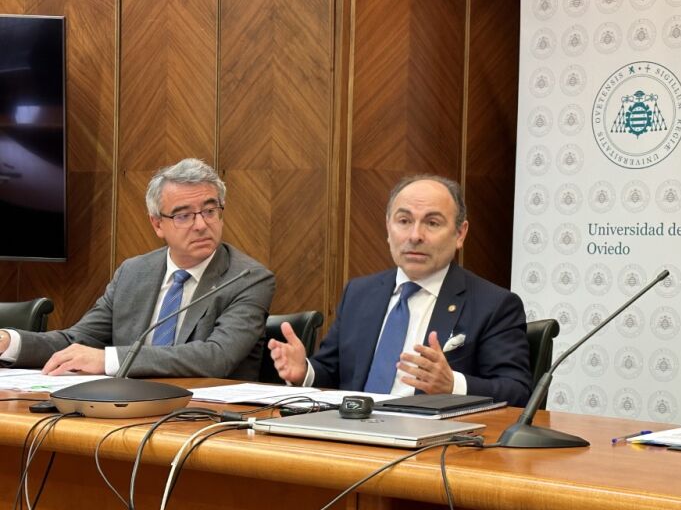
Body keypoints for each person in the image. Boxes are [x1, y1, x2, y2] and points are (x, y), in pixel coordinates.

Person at [269, 175, 532, 406]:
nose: (415, 235)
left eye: (432, 223)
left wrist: (453, 384)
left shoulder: (493, 304)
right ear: (388, 228)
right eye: (404, 221)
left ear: (460, 234)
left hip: (430, 439)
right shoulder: (360, 293)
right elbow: (332, 372)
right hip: (352, 432)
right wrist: (304, 372)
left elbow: (517, 391)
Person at [0, 159, 275, 380]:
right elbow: (78, 340)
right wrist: (8, 342)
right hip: (129, 409)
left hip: (207, 415)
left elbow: (217, 357)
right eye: (183, 216)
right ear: (157, 224)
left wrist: (108, 360)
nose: (201, 225)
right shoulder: (133, 273)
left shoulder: (248, 279)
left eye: (210, 211)